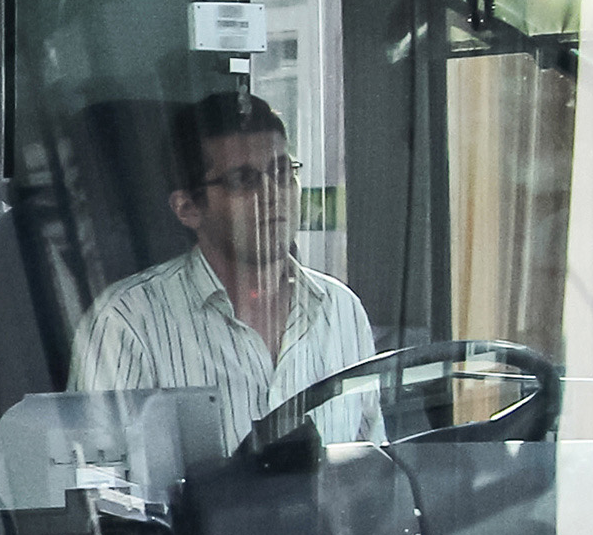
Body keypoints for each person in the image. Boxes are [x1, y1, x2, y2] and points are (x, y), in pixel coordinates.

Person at [70, 88, 381, 446]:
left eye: (282, 172)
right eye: (243, 181)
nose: (272, 194)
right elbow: (100, 487)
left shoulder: (341, 310)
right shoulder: (126, 323)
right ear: (188, 208)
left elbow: (372, 468)